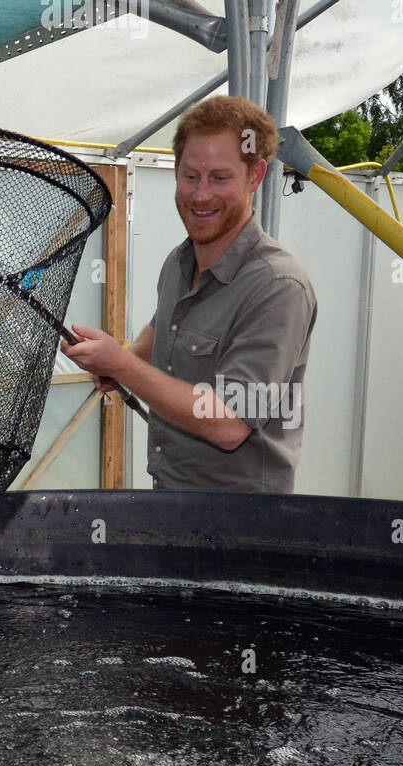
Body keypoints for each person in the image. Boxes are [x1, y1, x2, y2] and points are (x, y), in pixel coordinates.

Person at [62, 96, 317, 492]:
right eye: (190, 175)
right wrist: (120, 361)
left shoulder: (277, 287)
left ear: (255, 177)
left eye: (220, 178)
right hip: (170, 495)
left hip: (240, 526)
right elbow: (165, 324)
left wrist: (125, 368)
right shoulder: (179, 263)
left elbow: (232, 422)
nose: (200, 195)